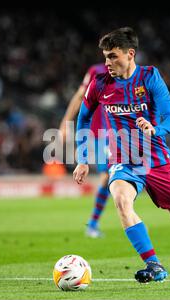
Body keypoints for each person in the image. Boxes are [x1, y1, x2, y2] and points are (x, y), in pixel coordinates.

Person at [73, 27, 170, 283]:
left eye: (113, 56)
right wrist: (83, 158)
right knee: (121, 199)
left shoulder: (150, 77)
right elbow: (83, 118)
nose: (107, 62)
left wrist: (156, 129)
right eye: (106, 57)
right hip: (124, 160)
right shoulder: (99, 84)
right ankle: (154, 265)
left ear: (130, 54)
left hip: (157, 160)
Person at [59, 63, 109, 238]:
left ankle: (131, 220)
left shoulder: (133, 74)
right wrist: (65, 123)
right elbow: (80, 96)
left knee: (124, 176)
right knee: (107, 177)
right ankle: (93, 224)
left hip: (123, 133)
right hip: (101, 132)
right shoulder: (97, 71)